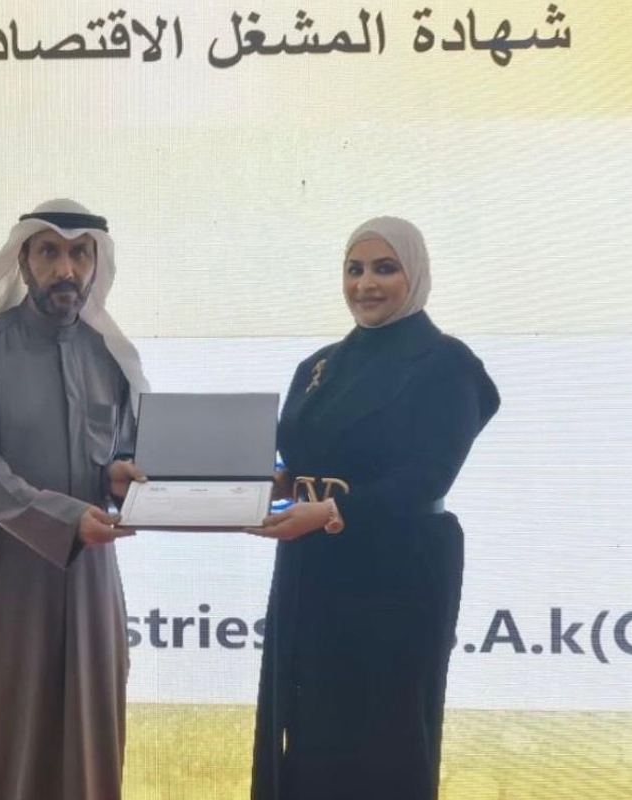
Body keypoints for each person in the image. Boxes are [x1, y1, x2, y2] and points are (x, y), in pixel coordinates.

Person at [249, 216, 500, 800]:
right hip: (312, 567)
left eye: (385, 268)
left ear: (415, 275)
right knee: (307, 726)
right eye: (354, 269)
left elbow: (427, 476)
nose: (365, 284)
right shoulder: (319, 366)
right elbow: (305, 460)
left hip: (396, 576)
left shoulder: (446, 363)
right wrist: (272, 483)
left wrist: (330, 512)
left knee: (382, 738)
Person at [0, 199, 149, 800]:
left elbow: (119, 456)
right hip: (0, 582)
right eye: (49, 252)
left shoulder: (110, 357)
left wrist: (116, 478)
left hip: (89, 587)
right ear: (23, 260)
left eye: (79, 254)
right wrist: (66, 519)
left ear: (97, 263)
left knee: (87, 751)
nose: (65, 269)